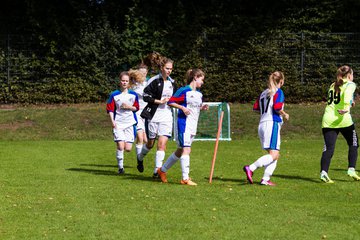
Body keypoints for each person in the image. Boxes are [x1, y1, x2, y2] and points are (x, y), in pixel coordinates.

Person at [157, 69, 208, 186]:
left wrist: (202, 107)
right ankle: (185, 178)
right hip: (184, 124)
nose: (202, 82)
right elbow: (171, 102)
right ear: (195, 77)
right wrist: (182, 108)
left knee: (180, 151)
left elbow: (193, 107)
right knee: (186, 150)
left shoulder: (199, 94)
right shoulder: (184, 91)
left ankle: (162, 170)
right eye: (202, 79)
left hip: (193, 126)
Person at [243, 71, 289, 186]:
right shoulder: (278, 91)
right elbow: (277, 106)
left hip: (262, 124)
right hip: (272, 124)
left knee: (274, 155)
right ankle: (251, 168)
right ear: (281, 81)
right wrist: (284, 114)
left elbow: (255, 108)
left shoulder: (263, 93)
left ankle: (265, 179)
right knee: (274, 154)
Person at [319, 65, 360, 183]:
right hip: (343, 119)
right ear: (350, 75)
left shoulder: (333, 84)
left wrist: (350, 103)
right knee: (354, 143)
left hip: (328, 120)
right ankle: (351, 169)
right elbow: (346, 97)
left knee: (329, 148)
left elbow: (338, 98)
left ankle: (323, 172)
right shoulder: (351, 84)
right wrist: (347, 107)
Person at [137, 57, 177, 177]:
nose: (169, 71)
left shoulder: (173, 83)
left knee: (162, 144)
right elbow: (146, 96)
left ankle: (157, 171)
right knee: (150, 144)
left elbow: (176, 98)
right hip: (153, 116)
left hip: (166, 116)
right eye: (167, 68)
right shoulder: (154, 81)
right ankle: (139, 157)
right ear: (161, 68)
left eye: (170, 69)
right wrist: (159, 101)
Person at [106, 71, 140, 174]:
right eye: (122, 80)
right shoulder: (114, 95)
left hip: (130, 123)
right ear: (120, 81)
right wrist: (112, 121)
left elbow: (136, 108)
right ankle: (120, 168)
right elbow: (110, 109)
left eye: (126, 81)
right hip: (118, 124)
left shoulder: (133, 95)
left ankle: (122, 159)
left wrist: (129, 107)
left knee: (128, 148)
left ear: (129, 82)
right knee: (120, 146)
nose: (124, 83)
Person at [130, 65, 149, 172]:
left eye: (144, 73)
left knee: (148, 141)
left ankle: (140, 157)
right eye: (140, 72)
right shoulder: (133, 85)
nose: (142, 75)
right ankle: (139, 161)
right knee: (140, 137)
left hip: (146, 113)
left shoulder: (149, 84)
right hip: (136, 113)